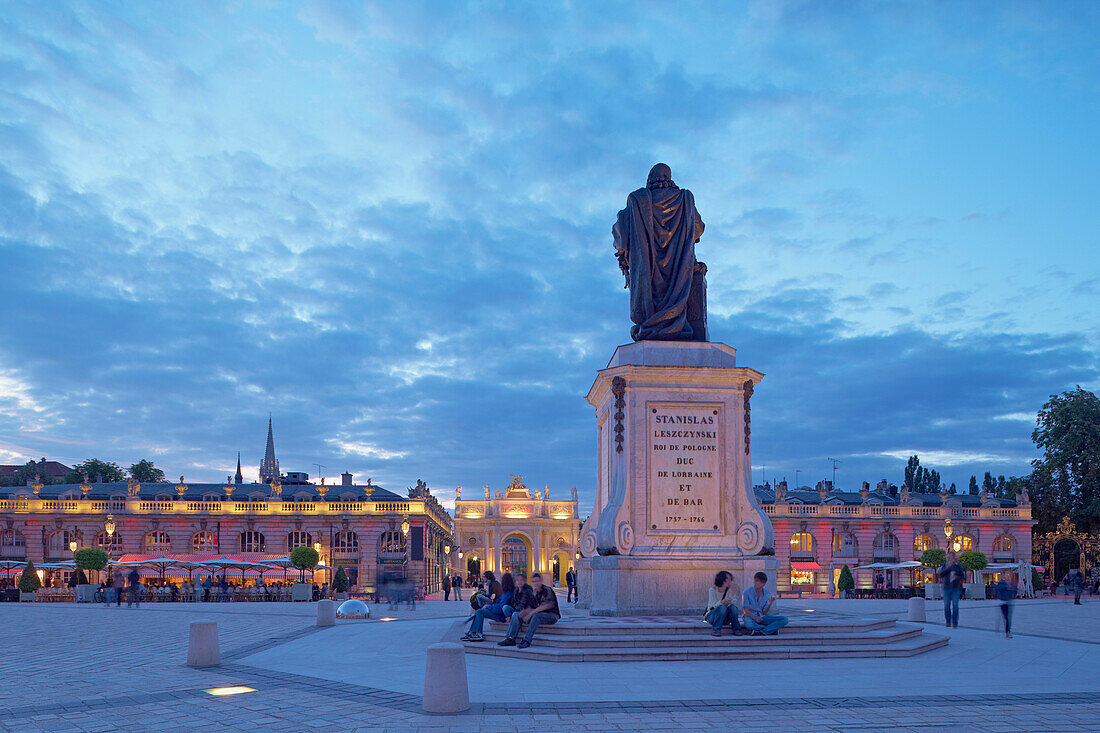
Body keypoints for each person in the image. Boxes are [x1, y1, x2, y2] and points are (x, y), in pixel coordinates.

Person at [498, 572, 560, 648]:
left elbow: (546, 606)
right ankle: (511, 638)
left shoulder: (547, 590)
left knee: (536, 616)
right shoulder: (534, 592)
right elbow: (533, 607)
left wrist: (530, 613)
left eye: (537, 581)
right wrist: (525, 612)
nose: (535, 583)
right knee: (517, 614)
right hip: (539, 614)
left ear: (541, 581)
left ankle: (527, 640)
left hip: (551, 615)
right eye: (533, 581)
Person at [462, 572, 517, 642]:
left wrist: (488, 608)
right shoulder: (506, 593)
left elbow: (500, 608)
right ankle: (473, 632)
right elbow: (498, 603)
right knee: (480, 611)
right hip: (498, 612)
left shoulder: (508, 594)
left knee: (480, 611)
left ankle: (477, 633)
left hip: (501, 616)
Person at [741, 571, 788, 636]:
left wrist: (770, 603)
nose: (757, 583)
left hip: (762, 616)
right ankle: (770, 630)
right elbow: (745, 610)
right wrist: (755, 618)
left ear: (764, 583)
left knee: (784, 619)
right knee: (749, 624)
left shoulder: (767, 593)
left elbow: (764, 612)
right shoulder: (746, 592)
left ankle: (761, 631)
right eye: (756, 581)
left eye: (759, 582)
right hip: (750, 616)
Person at [705, 571, 744, 637]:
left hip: (725, 617)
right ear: (723, 580)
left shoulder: (729, 590)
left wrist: (732, 598)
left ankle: (737, 629)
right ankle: (716, 630)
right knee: (722, 607)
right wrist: (722, 602)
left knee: (733, 607)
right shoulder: (712, 590)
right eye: (729, 579)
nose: (730, 581)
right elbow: (712, 606)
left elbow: (734, 603)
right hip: (713, 616)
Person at [940, 551, 964, 628]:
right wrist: (948, 568)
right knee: (946, 606)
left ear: (954, 558)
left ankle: (955, 622)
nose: (949, 559)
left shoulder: (958, 567)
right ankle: (948, 621)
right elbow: (941, 574)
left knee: (955, 606)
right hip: (946, 588)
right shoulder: (944, 565)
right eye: (948, 557)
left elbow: (963, 577)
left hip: (956, 588)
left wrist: (957, 577)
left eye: (951, 557)